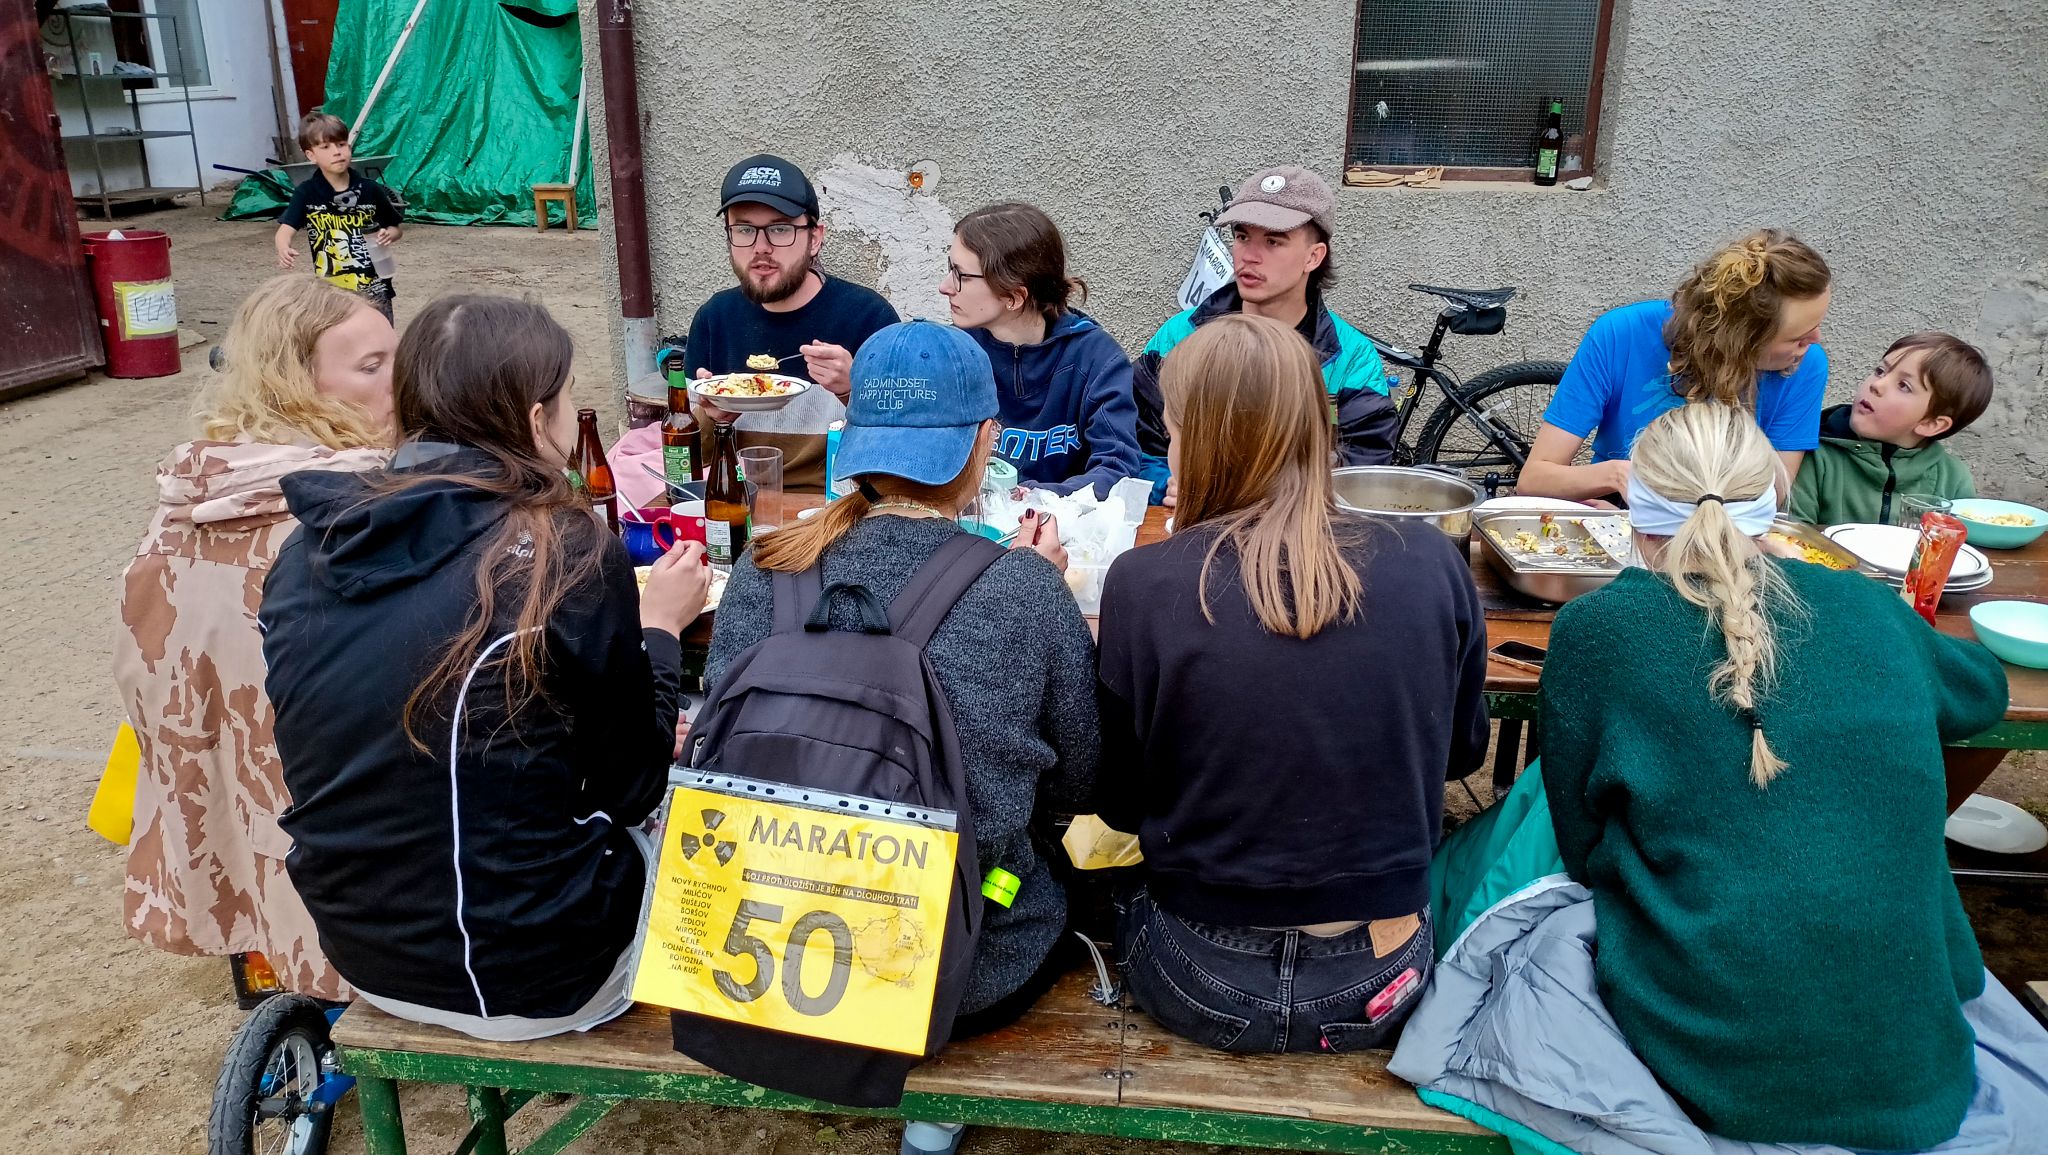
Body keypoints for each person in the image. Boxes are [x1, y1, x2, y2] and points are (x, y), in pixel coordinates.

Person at [1540, 403, 2008, 1148]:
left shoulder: (1596, 630)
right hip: (1921, 1068)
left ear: (1635, 510)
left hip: (1704, 1050)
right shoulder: (1866, 604)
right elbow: (1981, 692)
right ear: (1773, 504)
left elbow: (1580, 841)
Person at [259, 295, 712, 1040]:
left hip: (363, 951)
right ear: (536, 420)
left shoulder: (306, 549)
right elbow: (634, 786)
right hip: (539, 974)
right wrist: (659, 629)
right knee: (711, 770)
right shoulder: (562, 550)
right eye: (567, 397)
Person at [708, 321, 1097, 1155]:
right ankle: (934, 1118)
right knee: (1058, 871)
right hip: (959, 972)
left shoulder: (761, 568)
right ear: (985, 440)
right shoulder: (1024, 588)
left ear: (857, 439)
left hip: (760, 944)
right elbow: (1080, 783)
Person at [1096, 313, 1490, 1054]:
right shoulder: (1433, 562)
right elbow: (1463, 755)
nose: (1168, 451)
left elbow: (1118, 803)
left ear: (1202, 441)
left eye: (1172, 431)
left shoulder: (1143, 582)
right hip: (1380, 977)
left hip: (1198, 976)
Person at [114, 274, 396, 1001]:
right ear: (293, 383)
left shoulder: (189, 495)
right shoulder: (351, 509)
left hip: (224, 800)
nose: (402, 382)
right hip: (339, 821)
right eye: (372, 366)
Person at [1131, 166, 1395, 505]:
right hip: (1186, 529)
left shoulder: (1352, 358)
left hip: (1299, 533)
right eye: (1242, 237)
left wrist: (1251, 495)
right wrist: (1165, 484)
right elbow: (1135, 443)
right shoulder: (1179, 335)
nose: (1249, 256)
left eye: (1272, 241)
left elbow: (1363, 469)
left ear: (1313, 256)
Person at [1520, 229, 1831, 502]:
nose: (1815, 341)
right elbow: (1535, 479)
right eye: (1798, 338)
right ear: (1739, 340)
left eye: (1816, 326)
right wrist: (1617, 476)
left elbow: (1772, 495)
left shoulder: (1807, 365)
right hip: (1619, 513)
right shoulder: (1621, 334)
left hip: (1726, 528)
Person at [685, 154, 899, 491]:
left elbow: (899, 453)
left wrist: (853, 392)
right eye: (744, 229)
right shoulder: (714, 319)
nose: (761, 248)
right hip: (742, 503)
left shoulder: (868, 318)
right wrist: (714, 419)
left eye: (780, 229)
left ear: (815, 238)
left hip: (837, 507)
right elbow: (692, 462)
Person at [942, 202, 1140, 498]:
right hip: (968, 521)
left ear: (1014, 296)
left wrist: (1033, 498)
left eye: (962, 275)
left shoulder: (1096, 358)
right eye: (950, 269)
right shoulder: (951, 353)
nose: (945, 286)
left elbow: (1118, 467)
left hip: (1064, 521)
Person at [1787, 331, 1993, 526]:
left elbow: (1958, 543)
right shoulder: (1816, 457)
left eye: (1904, 385)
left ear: (1930, 424)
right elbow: (1791, 534)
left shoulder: (1953, 478)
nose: (1877, 385)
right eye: (1880, 371)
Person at [274, 112, 405, 322]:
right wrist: (283, 247)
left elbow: (395, 227)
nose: (336, 152)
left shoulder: (371, 190)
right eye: (325, 147)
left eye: (341, 144)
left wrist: (389, 234)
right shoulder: (306, 193)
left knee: (379, 336)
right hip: (331, 292)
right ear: (311, 155)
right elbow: (285, 230)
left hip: (374, 288)